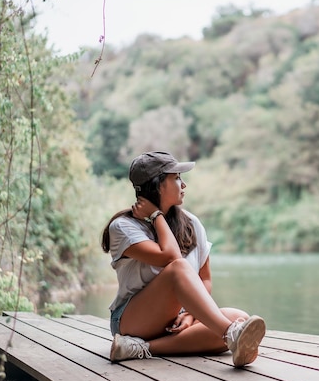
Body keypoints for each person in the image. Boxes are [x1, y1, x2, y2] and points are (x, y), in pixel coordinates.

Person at [101, 151, 266, 367]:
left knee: (239, 317)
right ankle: (229, 334)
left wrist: (189, 315)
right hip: (132, 321)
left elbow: (205, 280)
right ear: (158, 184)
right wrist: (156, 216)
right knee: (179, 268)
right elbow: (170, 258)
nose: (184, 184)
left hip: (176, 321)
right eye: (177, 177)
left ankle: (140, 348)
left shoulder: (191, 223)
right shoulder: (123, 227)